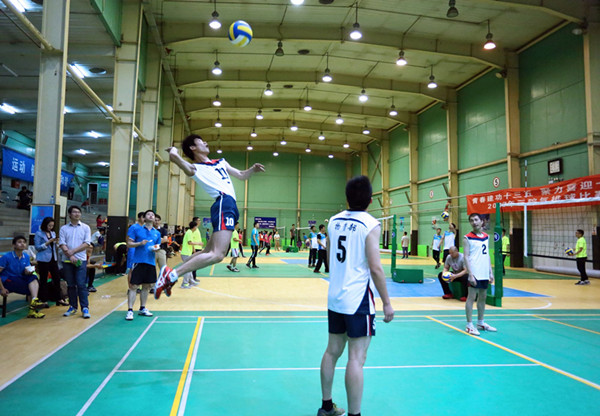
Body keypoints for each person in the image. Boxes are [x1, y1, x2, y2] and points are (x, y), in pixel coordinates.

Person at [318, 176, 394, 416]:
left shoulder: (333, 221)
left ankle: (326, 407)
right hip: (358, 300)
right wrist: (387, 303)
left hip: (335, 297)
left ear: (347, 198)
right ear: (371, 200)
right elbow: (375, 268)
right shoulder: (370, 224)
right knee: (356, 358)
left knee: (332, 351)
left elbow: (329, 258)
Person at [155, 134, 264, 297]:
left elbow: (241, 175)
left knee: (208, 250)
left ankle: (173, 273)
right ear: (193, 148)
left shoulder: (221, 162)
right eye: (201, 142)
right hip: (223, 203)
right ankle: (171, 275)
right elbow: (175, 159)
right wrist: (174, 151)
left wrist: (252, 170)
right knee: (218, 254)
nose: (206, 143)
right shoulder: (195, 168)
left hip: (230, 205)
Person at [463, 213, 496, 336]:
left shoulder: (486, 237)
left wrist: (490, 272)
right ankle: (469, 325)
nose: (474, 222)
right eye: (471, 220)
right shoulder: (467, 238)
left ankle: (480, 322)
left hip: (484, 272)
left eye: (476, 220)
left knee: (483, 297)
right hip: (474, 272)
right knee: (471, 297)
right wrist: (470, 274)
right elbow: (466, 256)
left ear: (482, 221)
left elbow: (487, 255)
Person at [0, 235, 48, 318]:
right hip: (7, 280)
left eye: (24, 242)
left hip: (18, 278)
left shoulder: (26, 256)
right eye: (19, 242)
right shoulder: (6, 257)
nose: (22, 244)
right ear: (14, 245)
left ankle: (33, 302)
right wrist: (2, 288)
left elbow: (26, 271)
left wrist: (28, 272)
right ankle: (33, 308)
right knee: (31, 288)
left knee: (34, 278)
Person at [125, 210, 161, 320]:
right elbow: (129, 244)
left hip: (150, 262)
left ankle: (142, 308)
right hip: (138, 261)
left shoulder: (157, 233)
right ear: (144, 218)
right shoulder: (136, 229)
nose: (151, 216)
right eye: (148, 214)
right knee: (133, 286)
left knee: (146, 286)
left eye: (153, 215)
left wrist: (156, 249)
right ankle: (130, 310)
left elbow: (158, 246)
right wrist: (140, 243)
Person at [59, 205, 92, 318]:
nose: (77, 214)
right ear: (69, 214)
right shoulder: (64, 228)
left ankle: (85, 308)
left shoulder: (85, 227)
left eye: (78, 212)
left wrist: (72, 252)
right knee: (71, 285)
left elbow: (86, 243)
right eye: (74, 212)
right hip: (67, 261)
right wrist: (70, 255)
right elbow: (62, 243)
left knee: (81, 284)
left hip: (80, 260)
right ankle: (73, 306)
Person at [34, 217, 67, 306]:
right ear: (45, 225)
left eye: (52, 226)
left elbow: (54, 246)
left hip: (53, 258)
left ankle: (59, 298)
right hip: (43, 259)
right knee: (43, 279)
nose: (51, 227)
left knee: (56, 278)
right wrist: (48, 242)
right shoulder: (39, 234)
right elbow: (37, 247)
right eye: (49, 225)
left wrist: (56, 243)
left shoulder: (53, 233)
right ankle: (44, 299)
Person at [180, 221, 202, 288]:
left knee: (189, 268)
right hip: (185, 253)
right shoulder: (189, 232)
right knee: (188, 269)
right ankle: (184, 284)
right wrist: (198, 243)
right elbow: (189, 242)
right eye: (196, 226)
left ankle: (191, 281)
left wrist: (193, 249)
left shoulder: (190, 232)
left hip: (188, 253)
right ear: (194, 227)